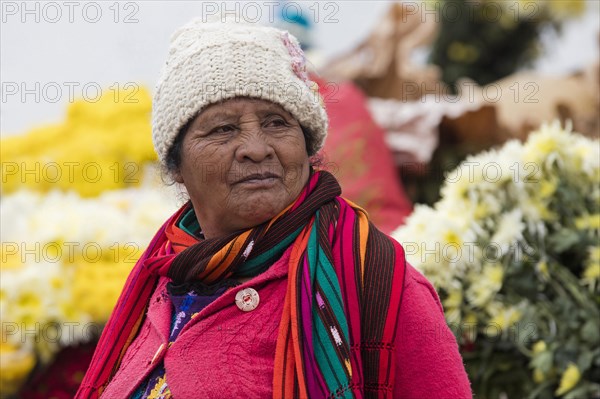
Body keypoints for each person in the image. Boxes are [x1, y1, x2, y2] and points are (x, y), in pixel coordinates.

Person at [76, 17, 472, 399]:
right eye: (223, 129)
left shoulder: (376, 280)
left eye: (276, 123)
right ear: (176, 166)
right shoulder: (165, 277)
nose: (256, 148)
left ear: (308, 144)